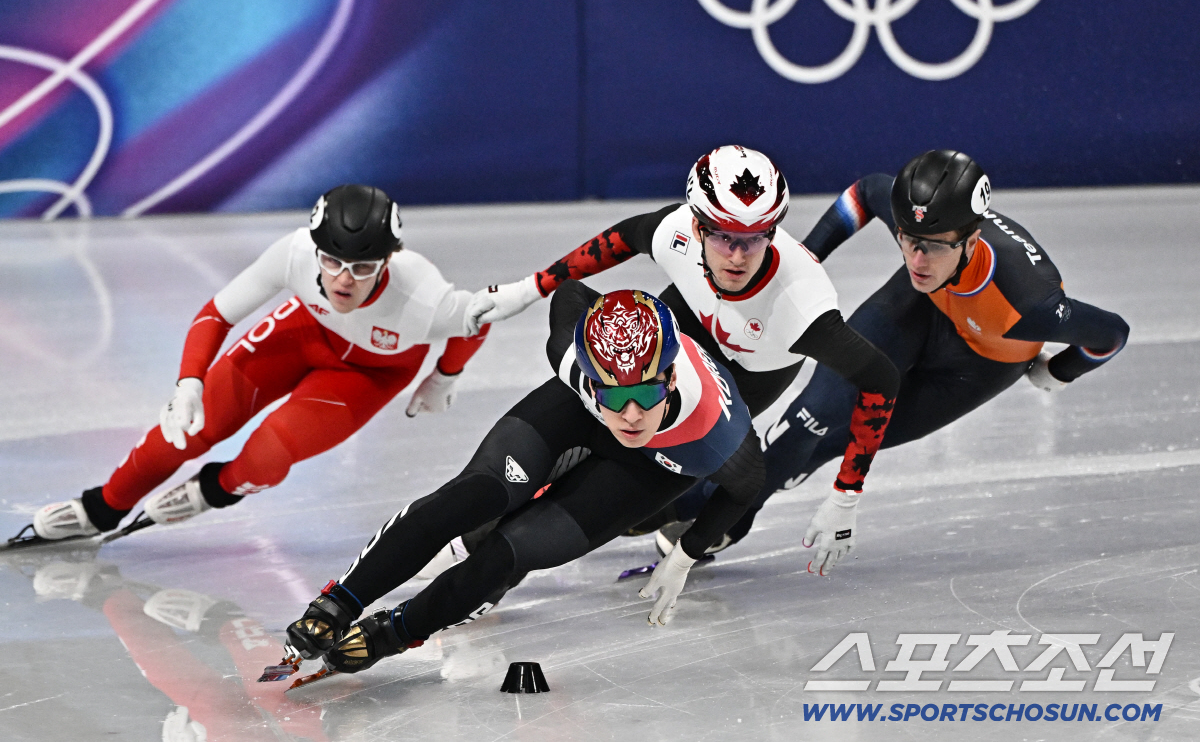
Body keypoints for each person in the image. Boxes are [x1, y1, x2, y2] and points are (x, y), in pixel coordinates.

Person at [272, 285, 763, 681]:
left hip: (651, 466)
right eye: (615, 396)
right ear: (589, 377)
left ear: (671, 379)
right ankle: (340, 600)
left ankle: (394, 633)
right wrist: (606, 397)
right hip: (577, 409)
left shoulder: (714, 433)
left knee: (512, 550)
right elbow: (569, 294)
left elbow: (747, 485)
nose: (631, 415)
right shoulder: (571, 359)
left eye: (645, 394)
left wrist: (685, 555)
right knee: (474, 495)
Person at [466, 145, 899, 574]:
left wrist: (846, 495)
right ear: (696, 227)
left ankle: (505, 562)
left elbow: (882, 379)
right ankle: (478, 537)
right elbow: (620, 239)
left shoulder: (805, 312)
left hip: (738, 381)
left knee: (620, 484)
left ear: (772, 233)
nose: (734, 255)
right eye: (721, 235)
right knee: (577, 424)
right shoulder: (676, 231)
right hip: (681, 335)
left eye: (752, 238)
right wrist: (527, 289)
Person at [19, 184, 490, 544]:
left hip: (371, 373)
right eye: (332, 260)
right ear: (315, 250)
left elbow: (478, 318)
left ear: (390, 259)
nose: (345, 279)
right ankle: (104, 505)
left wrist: (444, 375)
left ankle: (216, 488)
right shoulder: (295, 253)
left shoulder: (422, 292)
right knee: (185, 429)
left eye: (363, 267)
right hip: (303, 335)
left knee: (267, 453)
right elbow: (216, 314)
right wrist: (188, 383)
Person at [716, 149, 1131, 548]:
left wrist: (1059, 370)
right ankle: (715, 514)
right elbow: (866, 191)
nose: (916, 258)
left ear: (971, 242)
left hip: (982, 364)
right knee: (812, 415)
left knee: (834, 442)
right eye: (908, 240)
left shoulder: (1029, 303)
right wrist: (804, 262)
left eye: (932, 245)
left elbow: (1113, 333)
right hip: (922, 303)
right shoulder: (925, 252)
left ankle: (728, 519)